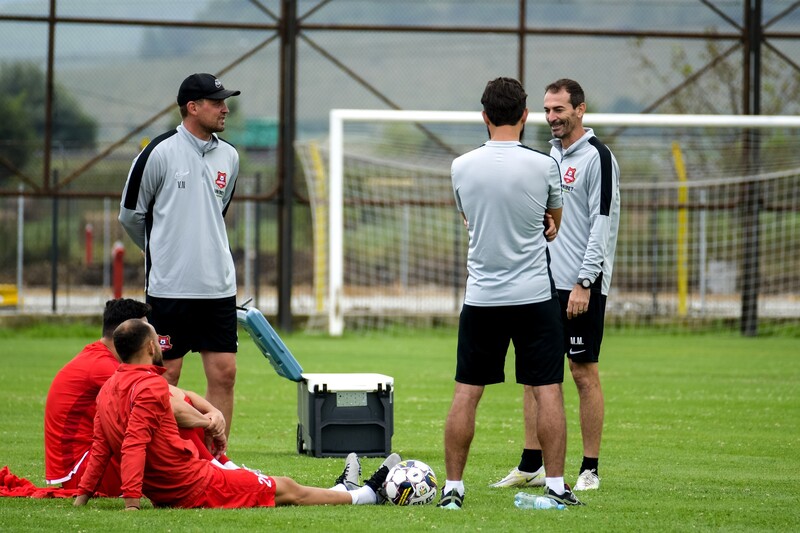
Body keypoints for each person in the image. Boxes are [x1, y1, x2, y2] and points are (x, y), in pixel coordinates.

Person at [73, 318, 399, 510]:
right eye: (156, 340)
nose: (160, 345)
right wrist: (131, 505)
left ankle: (345, 488)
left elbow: (101, 447)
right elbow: (133, 444)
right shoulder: (150, 388)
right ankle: (366, 495)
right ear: (148, 348)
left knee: (263, 479)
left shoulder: (109, 389)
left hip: (175, 484)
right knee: (286, 488)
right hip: (193, 485)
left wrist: (81, 499)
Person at [439, 77, 582, 510]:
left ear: (484, 117)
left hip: (482, 298)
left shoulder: (461, 166)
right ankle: (556, 485)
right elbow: (552, 221)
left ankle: (453, 489)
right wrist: (544, 224)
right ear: (524, 115)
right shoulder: (544, 165)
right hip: (535, 298)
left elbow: (469, 219)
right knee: (548, 389)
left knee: (467, 392)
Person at [491, 78, 620, 492]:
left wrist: (584, 281)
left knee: (582, 372)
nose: (551, 118)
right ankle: (531, 464)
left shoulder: (598, 157)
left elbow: (602, 225)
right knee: (536, 376)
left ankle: (590, 468)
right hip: (542, 285)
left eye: (559, 110)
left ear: (580, 110)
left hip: (582, 285)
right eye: (546, 110)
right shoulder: (547, 154)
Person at [118, 73, 242, 439]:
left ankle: (215, 463)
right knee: (165, 377)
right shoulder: (158, 152)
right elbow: (130, 215)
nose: (225, 108)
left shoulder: (230, 156)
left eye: (225, 101)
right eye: (217, 102)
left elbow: (215, 214)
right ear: (193, 107)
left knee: (224, 374)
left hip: (218, 288)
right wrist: (163, 251)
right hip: (170, 289)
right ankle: (170, 462)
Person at [44, 298, 233, 496]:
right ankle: (216, 473)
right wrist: (209, 423)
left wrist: (214, 412)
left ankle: (222, 468)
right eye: (147, 330)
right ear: (128, 331)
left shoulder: (110, 360)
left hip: (89, 462)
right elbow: (169, 404)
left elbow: (177, 393)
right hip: (80, 470)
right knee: (166, 420)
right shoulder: (104, 367)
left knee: (172, 410)